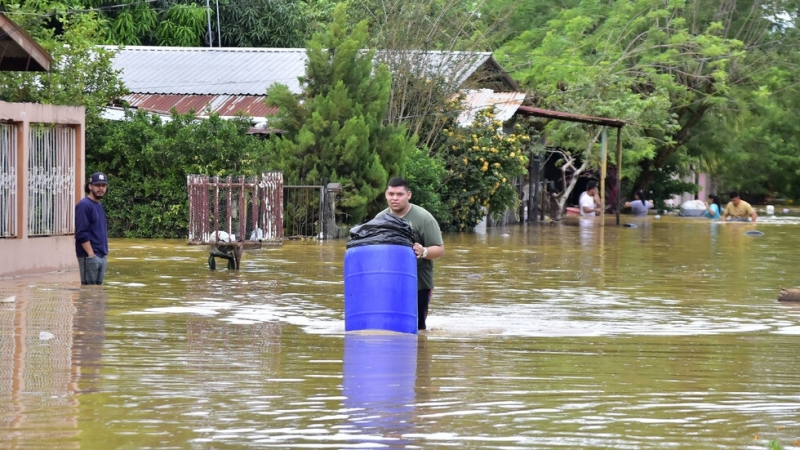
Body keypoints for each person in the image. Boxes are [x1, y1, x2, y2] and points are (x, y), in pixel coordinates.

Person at [378, 177, 444, 330]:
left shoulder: (423, 218)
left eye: (400, 194)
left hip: (420, 282)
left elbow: (439, 249)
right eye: (391, 194)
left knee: (418, 328)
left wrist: (424, 251)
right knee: (389, 326)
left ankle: (420, 353)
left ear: (409, 195)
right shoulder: (379, 219)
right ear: (385, 195)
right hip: (389, 281)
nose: (395, 198)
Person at [75, 172, 110, 285]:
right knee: (88, 292)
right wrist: (91, 255)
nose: (101, 188)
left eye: (103, 186)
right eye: (97, 185)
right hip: (89, 257)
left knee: (97, 294)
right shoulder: (84, 205)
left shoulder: (99, 205)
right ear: (90, 186)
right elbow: (81, 233)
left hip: (101, 256)